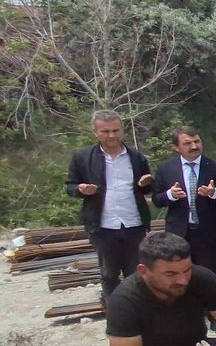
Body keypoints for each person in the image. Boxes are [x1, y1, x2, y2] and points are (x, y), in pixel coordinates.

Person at [66, 109, 154, 301]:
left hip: (133, 223)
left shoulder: (136, 157)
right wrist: (80, 190)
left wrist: (145, 185)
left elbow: (147, 189)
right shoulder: (83, 157)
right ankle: (115, 314)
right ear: (95, 132)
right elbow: (70, 186)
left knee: (137, 272)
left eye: (115, 130)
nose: (111, 135)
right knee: (109, 273)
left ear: (123, 130)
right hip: (102, 225)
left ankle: (137, 311)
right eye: (105, 131)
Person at [151, 127, 216, 279]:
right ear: (176, 147)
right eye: (187, 143)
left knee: (211, 279)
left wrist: (214, 193)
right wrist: (170, 195)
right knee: (180, 278)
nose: (194, 146)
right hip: (179, 234)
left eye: (197, 141)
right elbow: (156, 200)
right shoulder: (166, 169)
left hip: (210, 234)